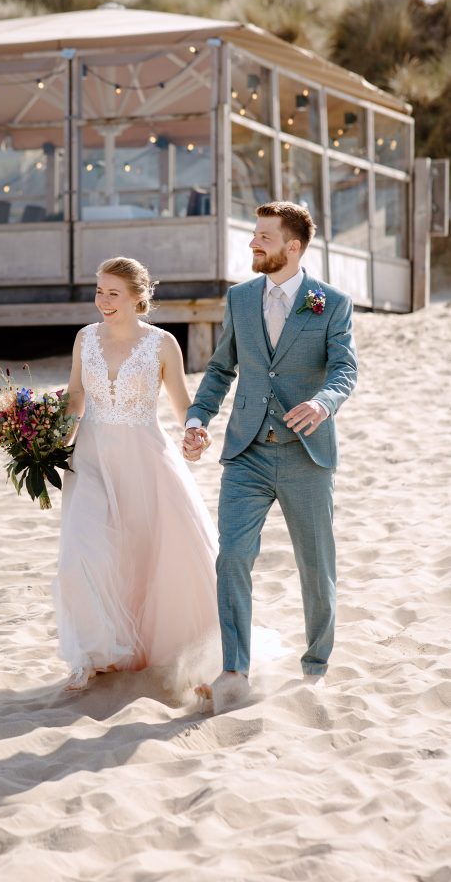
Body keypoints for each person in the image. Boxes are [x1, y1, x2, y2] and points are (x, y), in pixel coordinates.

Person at [183, 202, 358, 710]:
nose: (253, 243)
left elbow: (344, 371)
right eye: (254, 235)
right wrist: (198, 419)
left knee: (315, 564)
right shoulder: (239, 299)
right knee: (232, 556)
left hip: (307, 455)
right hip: (247, 451)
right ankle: (235, 670)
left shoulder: (332, 303)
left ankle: (316, 666)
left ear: (292, 247)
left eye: (263, 236)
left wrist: (323, 404)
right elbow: (220, 370)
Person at [53, 256, 220, 692]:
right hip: (88, 457)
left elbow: (184, 404)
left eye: (113, 293)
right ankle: (90, 653)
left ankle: (141, 651)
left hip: (144, 460)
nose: (102, 301)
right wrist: (54, 438)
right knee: (80, 555)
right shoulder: (84, 338)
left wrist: (196, 431)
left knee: (143, 557)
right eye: (99, 291)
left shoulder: (162, 344)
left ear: (137, 297)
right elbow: (75, 395)